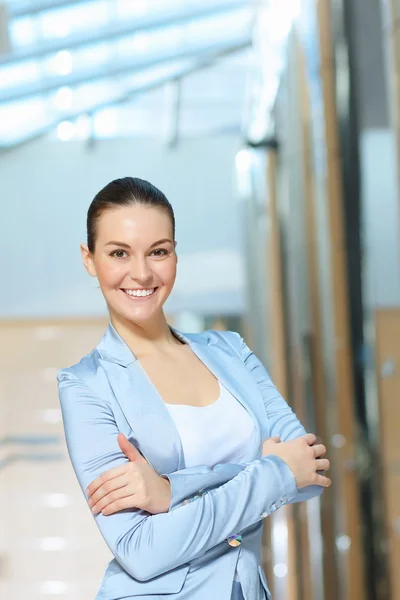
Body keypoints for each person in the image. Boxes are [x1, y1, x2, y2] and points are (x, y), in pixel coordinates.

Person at [57, 177, 331, 600]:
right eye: (119, 253)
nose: (142, 273)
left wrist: (172, 491)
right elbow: (140, 549)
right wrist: (273, 472)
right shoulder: (86, 385)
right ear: (89, 259)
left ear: (175, 255)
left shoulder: (230, 350)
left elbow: (310, 472)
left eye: (158, 252)